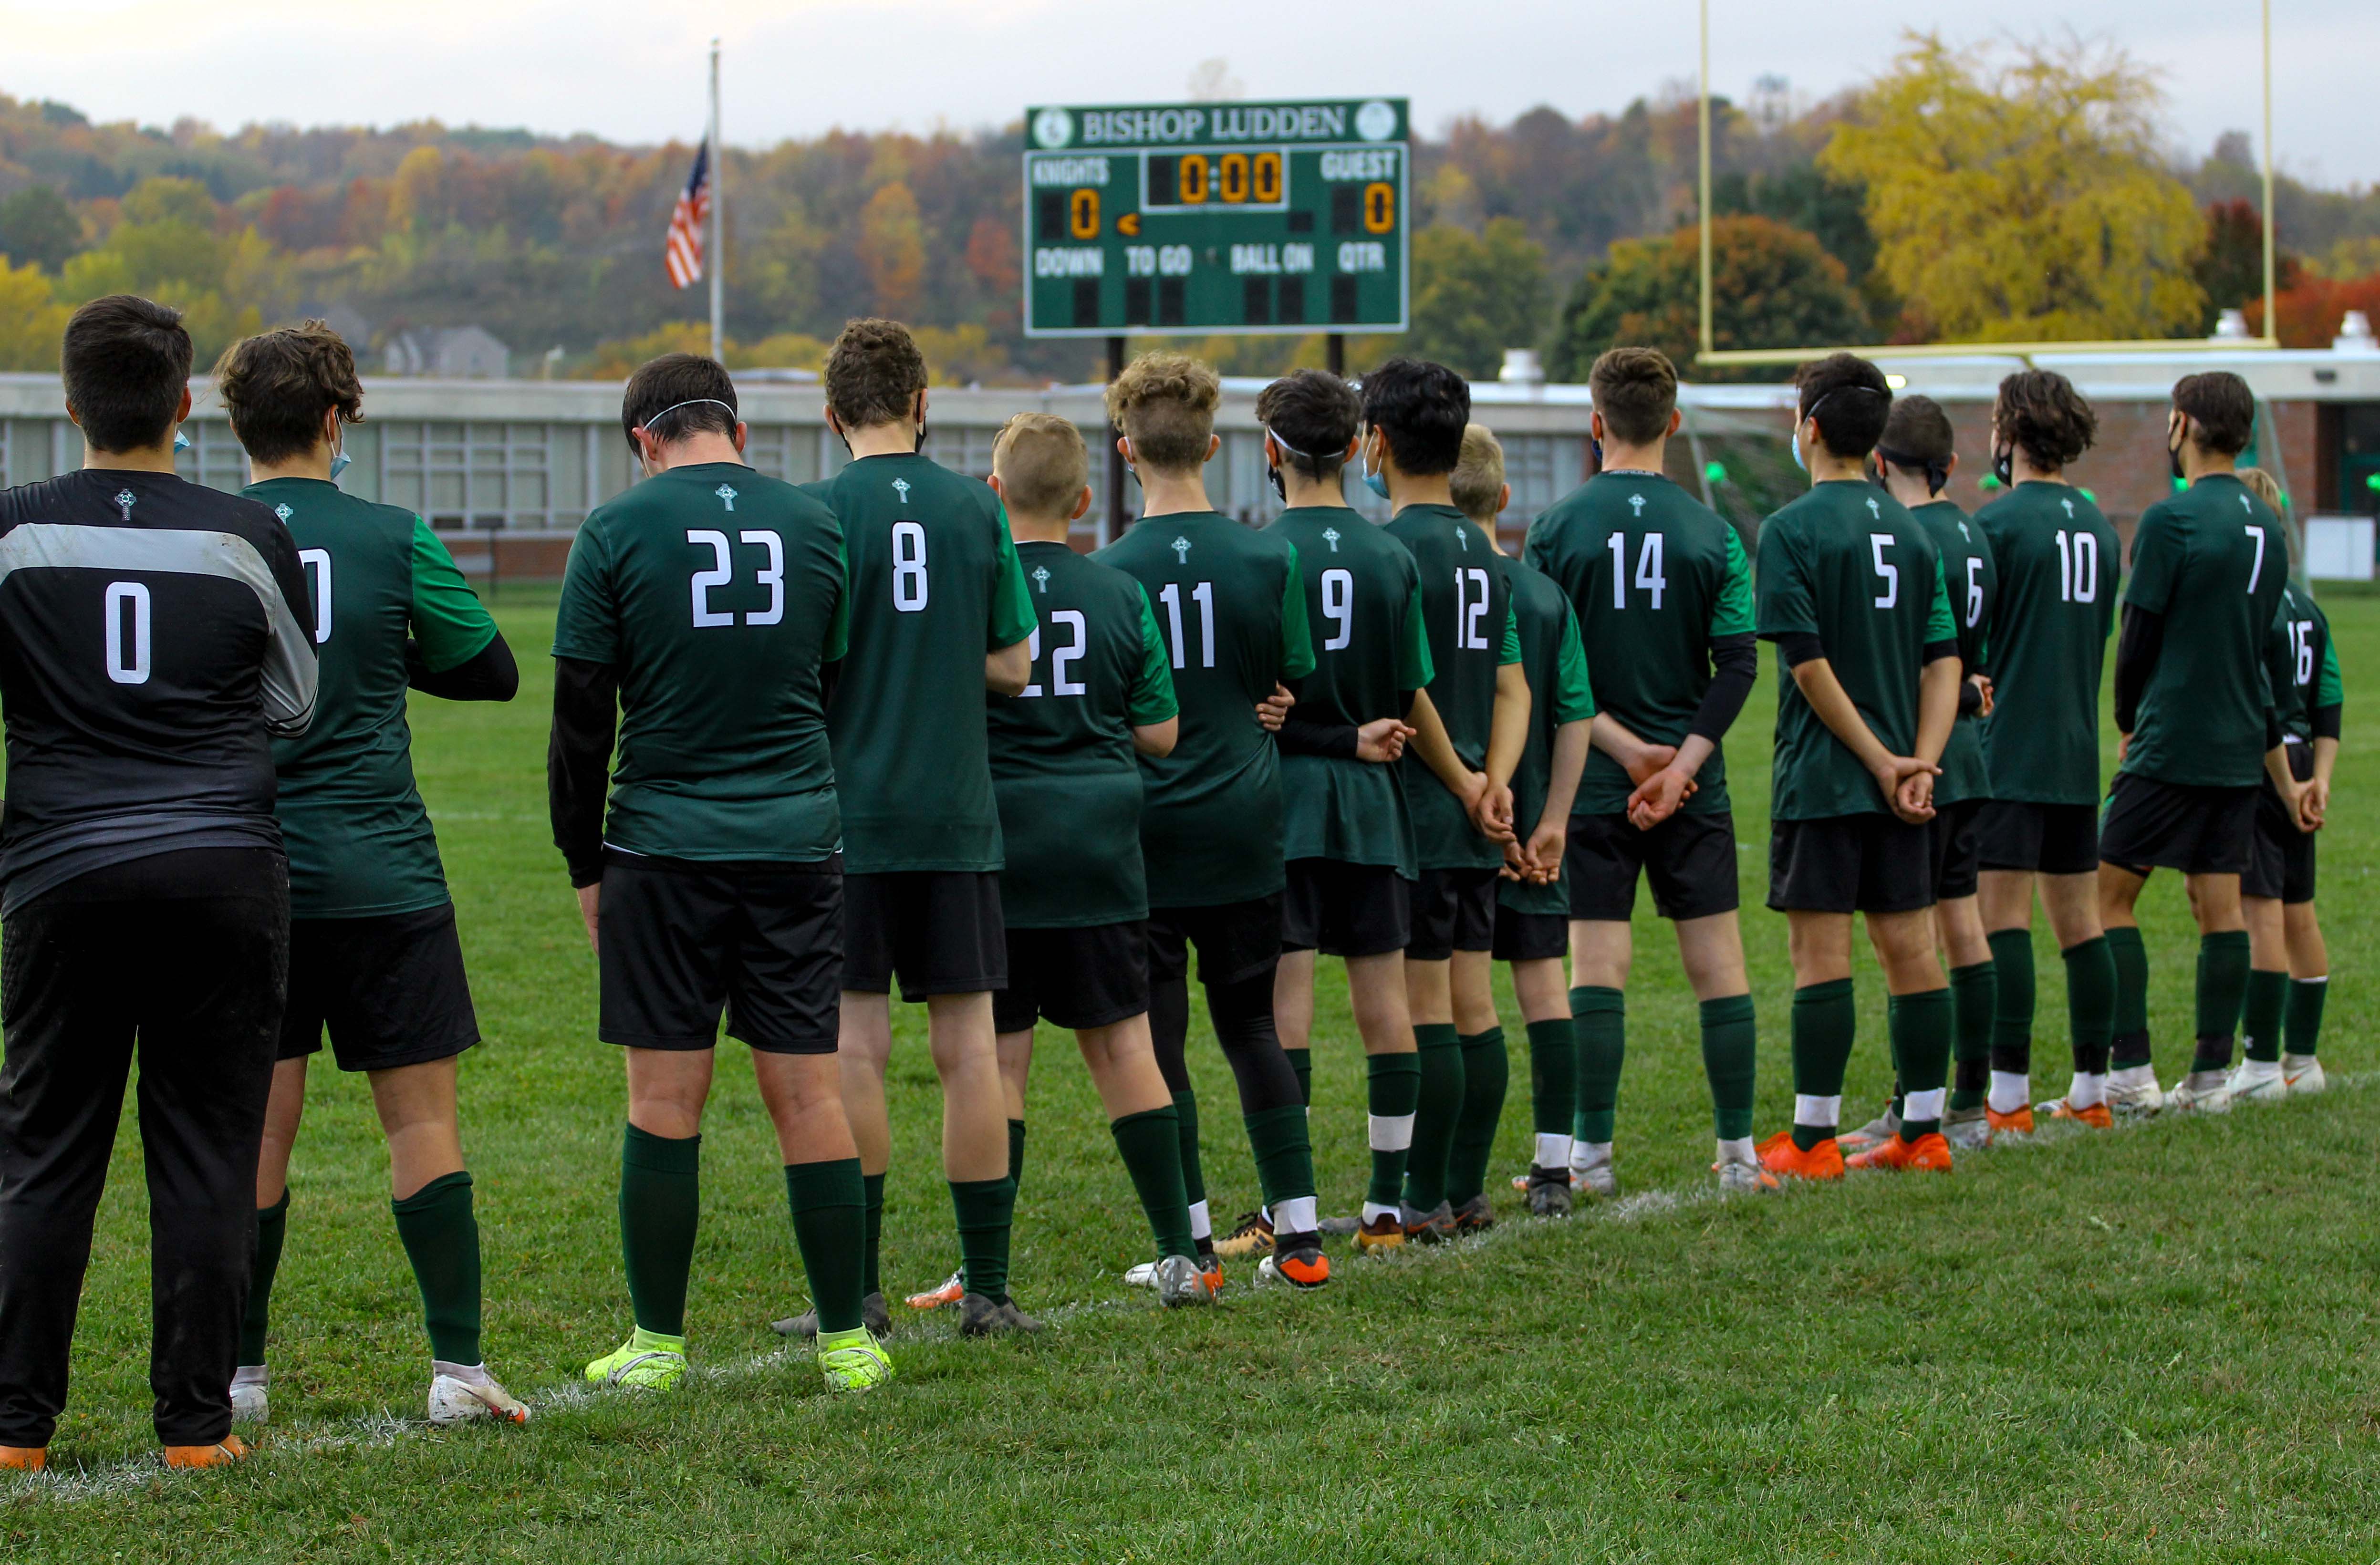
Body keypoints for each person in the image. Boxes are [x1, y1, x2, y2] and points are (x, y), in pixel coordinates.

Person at [0, 295, 317, 1471]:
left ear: (69, 403)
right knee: (204, 1150)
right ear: (185, 406)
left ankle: (15, 1430)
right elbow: (296, 701)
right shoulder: (245, 533)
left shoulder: (14, 531)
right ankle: (195, 1430)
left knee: (43, 1151)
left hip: (59, 873)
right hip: (223, 871)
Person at [551, 352, 888, 1394]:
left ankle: (656, 1345)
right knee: (807, 1088)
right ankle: (847, 1339)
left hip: (661, 845)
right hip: (794, 839)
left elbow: (579, 722)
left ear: (645, 441)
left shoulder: (615, 529)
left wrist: (583, 862)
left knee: (663, 1097)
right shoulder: (818, 524)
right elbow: (829, 681)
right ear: (734, 430)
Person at [218, 321, 528, 1428]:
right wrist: (378, 649)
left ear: (235, 423)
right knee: (420, 1125)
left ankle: (239, 1379)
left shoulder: (212, 534)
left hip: (247, 869)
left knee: (257, 1129)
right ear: (337, 420)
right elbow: (490, 671)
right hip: (383, 867)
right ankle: (455, 1370)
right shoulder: (393, 534)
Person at [789, 320, 1039, 1338]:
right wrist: (941, 652)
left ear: (831, 414)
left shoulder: (813, 512)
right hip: (954, 817)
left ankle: (856, 1296)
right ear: (923, 404)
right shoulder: (975, 510)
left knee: (854, 1049)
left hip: (846, 820)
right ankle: (986, 1289)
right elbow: (1016, 668)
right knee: (968, 1052)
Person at [970, 413, 1213, 1306]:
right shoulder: (1116, 590)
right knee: (1124, 1046)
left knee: (998, 1060)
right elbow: (1159, 732)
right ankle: (1179, 1253)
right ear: (1082, 500)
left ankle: (984, 1276)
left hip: (997, 842)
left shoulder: (976, 582)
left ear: (995, 496)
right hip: (1101, 842)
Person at [1094, 352, 1324, 1288]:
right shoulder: (1272, 554)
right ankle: (1302, 1239)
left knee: (1160, 1040)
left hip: (1144, 829)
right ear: (1216, 445)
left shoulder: (1109, 572)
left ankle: (1188, 1244)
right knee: (1254, 1030)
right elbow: (1289, 678)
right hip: (1242, 817)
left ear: (1123, 452)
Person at [1520, 347, 1767, 1198]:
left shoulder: (1554, 529)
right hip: (1689, 782)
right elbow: (1737, 664)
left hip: (1588, 778)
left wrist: (1624, 756)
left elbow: (1550, 670)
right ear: (1671, 423)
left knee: (1597, 966)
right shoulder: (1713, 532)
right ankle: (1738, 1157)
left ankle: (1588, 1158)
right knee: (1719, 966)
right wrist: (1676, 764)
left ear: (1595, 426)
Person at [1254, 369, 1464, 1267]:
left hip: (1291, 809)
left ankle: (1288, 1211)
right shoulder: (1391, 556)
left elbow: (1253, 702)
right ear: (1355, 447)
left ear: (1271, 451)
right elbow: (1409, 692)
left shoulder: (1263, 554)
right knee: (1387, 1006)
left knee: (1287, 1008)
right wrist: (1459, 776)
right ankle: (1386, 1206)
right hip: (1376, 811)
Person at [1753, 353, 1964, 1179]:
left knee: (1821, 957)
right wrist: (1921, 762)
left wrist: (1880, 761)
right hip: (1904, 779)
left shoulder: (1790, 529)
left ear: (1807, 426)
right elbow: (1942, 659)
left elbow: (1807, 666)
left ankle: (1813, 1143)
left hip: (1828, 776)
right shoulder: (1914, 529)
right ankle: (1923, 1129)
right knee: (1911, 947)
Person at [2098, 372, 2302, 1116]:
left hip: (2174, 736)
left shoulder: (2171, 520)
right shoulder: (2269, 522)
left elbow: (2137, 637)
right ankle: (2211, 1076)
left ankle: (2129, 1066)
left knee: (2105, 899)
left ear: (2181, 423)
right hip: (2239, 741)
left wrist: (2126, 719)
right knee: (2217, 905)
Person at [1366, 358, 1529, 1244]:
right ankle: (1466, 1189)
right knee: (1475, 1004)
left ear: (1376, 444)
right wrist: (1496, 779)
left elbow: (1404, 683)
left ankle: (1420, 1193)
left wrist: (1463, 782)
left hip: (1426, 809)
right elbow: (1513, 687)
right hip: (1476, 807)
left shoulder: (1391, 550)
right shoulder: (1483, 547)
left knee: (1427, 1007)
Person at [1840, 395, 2001, 1152]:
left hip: (1919, 750)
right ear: (1950, 464)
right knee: (1961, 925)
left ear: (1877, 462)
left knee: (1910, 940)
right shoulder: (1971, 528)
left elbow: (1906, 654)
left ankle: (1918, 1100)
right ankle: (1970, 1094)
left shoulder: (1902, 534)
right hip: (1968, 750)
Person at [1448, 425, 1602, 1218]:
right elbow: (1573, 715)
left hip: (1453, 832)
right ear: (1504, 501)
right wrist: (1553, 824)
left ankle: (1445, 1176)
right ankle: (1551, 1168)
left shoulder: (1430, 578)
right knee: (1544, 987)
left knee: (1449, 1003)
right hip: (1532, 828)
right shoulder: (1543, 593)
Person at [1964, 372, 2123, 1130]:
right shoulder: (2101, 528)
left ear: (2013, 431)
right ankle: (2092, 1092)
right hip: (2073, 749)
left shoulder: (1994, 526)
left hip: (2010, 749)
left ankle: (2007, 1096)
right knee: (2080, 923)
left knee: (2004, 922)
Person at [2227, 466, 2334, 1101]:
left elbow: (2259, 698)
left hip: (2265, 765)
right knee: (2300, 911)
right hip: (2301, 759)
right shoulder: (2308, 605)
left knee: (2259, 912)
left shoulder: (2253, 603)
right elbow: (2329, 697)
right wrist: (2316, 779)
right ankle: (2303, 1060)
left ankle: (2261, 1064)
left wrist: (2283, 783)